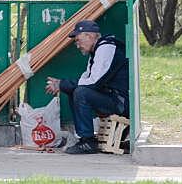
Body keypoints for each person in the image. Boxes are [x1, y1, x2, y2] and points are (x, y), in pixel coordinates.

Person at [45, 20, 129, 154]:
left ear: (90, 36)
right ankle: (84, 138)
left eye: (78, 40)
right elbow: (86, 78)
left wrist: (62, 84)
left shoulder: (106, 47)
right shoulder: (96, 51)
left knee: (81, 92)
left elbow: (94, 81)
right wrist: (63, 84)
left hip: (121, 103)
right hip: (112, 98)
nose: (77, 45)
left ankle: (88, 142)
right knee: (74, 90)